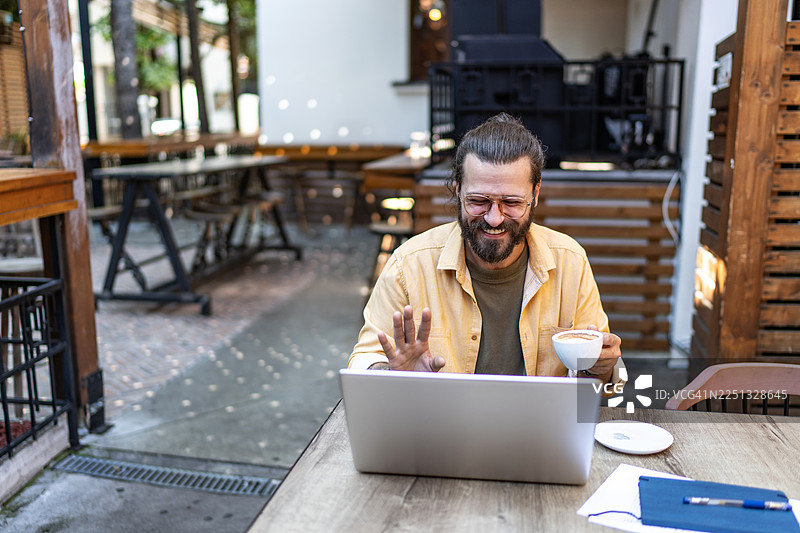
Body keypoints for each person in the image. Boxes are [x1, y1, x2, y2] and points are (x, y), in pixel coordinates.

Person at [349, 113, 623, 383]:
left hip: (539, 427)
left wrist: (601, 368)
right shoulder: (408, 265)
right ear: (457, 190)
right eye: (478, 200)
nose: (494, 218)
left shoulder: (569, 261)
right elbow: (363, 360)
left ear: (535, 195)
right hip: (441, 426)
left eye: (512, 202)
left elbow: (603, 380)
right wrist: (390, 376)